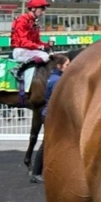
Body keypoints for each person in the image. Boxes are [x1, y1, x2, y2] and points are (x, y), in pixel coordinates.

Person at [29, 54, 70, 184]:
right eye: (67, 65)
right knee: (47, 143)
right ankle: (36, 173)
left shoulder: (52, 78)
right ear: (59, 66)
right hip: (53, 115)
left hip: (49, 113)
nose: (70, 67)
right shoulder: (58, 80)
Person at [11, 0, 52, 77]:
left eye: (44, 9)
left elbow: (37, 41)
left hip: (29, 51)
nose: (43, 12)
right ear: (33, 8)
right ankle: (18, 69)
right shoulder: (22, 20)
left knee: (51, 54)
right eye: (42, 9)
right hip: (20, 51)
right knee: (45, 56)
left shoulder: (35, 23)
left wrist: (46, 45)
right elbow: (23, 42)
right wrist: (39, 47)